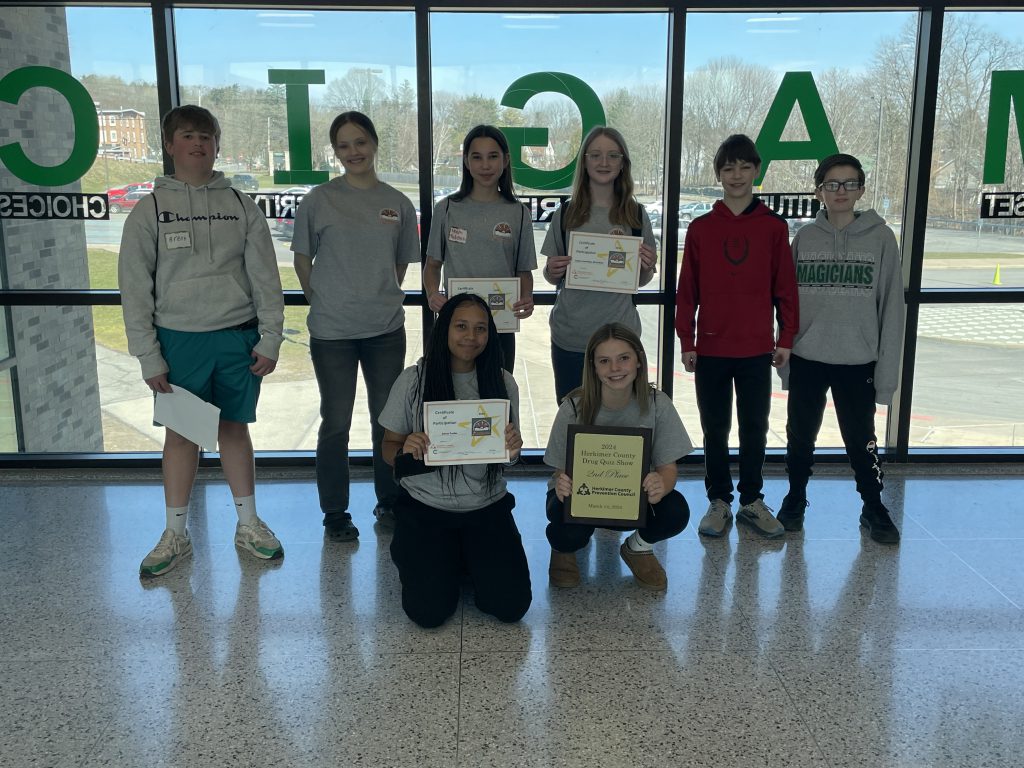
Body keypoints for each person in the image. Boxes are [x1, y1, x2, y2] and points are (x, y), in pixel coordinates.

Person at [119, 105, 285, 577]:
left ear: (216, 144)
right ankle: (176, 532)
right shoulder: (148, 211)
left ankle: (248, 524)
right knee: (183, 436)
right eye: (188, 136)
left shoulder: (239, 205)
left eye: (206, 137)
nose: (198, 144)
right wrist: (149, 355)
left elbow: (266, 279)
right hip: (179, 343)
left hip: (236, 338)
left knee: (234, 430)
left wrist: (270, 338)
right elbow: (134, 290)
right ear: (170, 145)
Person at [292, 111, 420, 541]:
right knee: (336, 423)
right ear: (335, 151)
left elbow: (400, 264)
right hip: (332, 334)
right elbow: (301, 259)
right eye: (344, 145)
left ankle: (389, 503)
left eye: (360, 142)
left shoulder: (398, 204)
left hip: (385, 329)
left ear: (374, 143)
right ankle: (335, 513)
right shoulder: (318, 199)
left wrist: (376, 295)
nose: (353, 152)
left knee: (387, 423)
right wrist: (323, 299)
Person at [379, 293, 531, 628]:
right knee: (428, 614)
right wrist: (405, 446)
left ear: (490, 335)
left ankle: (463, 558)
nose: (471, 337)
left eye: (480, 329)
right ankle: (427, 553)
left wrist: (513, 448)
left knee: (511, 607)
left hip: (487, 505)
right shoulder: (414, 380)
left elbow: (507, 459)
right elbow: (387, 447)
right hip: (426, 508)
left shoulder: (503, 382)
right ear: (444, 328)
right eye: (461, 326)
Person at [675, 134, 799, 540]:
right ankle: (719, 501)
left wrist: (786, 338)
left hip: (756, 349)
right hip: (710, 348)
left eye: (745, 167)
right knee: (714, 427)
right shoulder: (701, 228)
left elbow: (785, 288)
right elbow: (687, 290)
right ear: (718, 174)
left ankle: (751, 501)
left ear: (757, 171)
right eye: (728, 168)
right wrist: (687, 340)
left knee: (754, 427)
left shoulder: (773, 227)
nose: (737, 175)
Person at [776, 153, 905, 544]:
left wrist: (886, 379)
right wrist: (785, 356)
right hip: (808, 358)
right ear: (819, 192)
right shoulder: (805, 238)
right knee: (800, 436)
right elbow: (786, 302)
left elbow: (892, 310)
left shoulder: (882, 238)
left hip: (856, 360)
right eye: (832, 184)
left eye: (850, 183)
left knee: (860, 439)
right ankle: (795, 498)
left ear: (862, 189)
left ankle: (873, 505)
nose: (841, 191)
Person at [544, 323, 693, 590]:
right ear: (593, 366)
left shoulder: (658, 404)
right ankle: (563, 550)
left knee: (676, 510)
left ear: (638, 360)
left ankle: (637, 548)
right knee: (561, 515)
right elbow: (558, 471)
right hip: (584, 496)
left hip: (633, 498)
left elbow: (667, 468)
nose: (615, 368)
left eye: (623, 358)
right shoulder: (572, 407)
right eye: (604, 361)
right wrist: (563, 483)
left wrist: (662, 484)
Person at [541, 126, 659, 402]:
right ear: (584, 162)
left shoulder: (636, 214)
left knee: (618, 424)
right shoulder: (566, 213)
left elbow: (641, 280)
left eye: (612, 156)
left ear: (622, 163)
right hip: (571, 337)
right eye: (595, 155)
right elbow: (550, 273)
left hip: (621, 339)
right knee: (573, 420)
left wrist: (647, 267)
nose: (604, 163)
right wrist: (552, 270)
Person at [423, 125, 536, 373]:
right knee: (452, 401)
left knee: (497, 401)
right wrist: (433, 293)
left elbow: (523, 272)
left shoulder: (518, 213)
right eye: (477, 157)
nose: (485, 165)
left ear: (505, 160)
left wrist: (526, 298)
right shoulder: (447, 209)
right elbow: (432, 265)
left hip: (500, 327)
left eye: (493, 156)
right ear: (466, 161)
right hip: (455, 327)